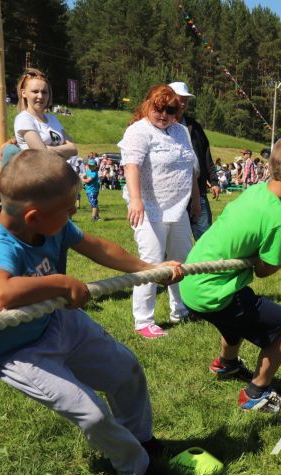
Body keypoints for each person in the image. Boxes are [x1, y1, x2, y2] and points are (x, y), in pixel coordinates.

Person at [0, 150, 184, 475]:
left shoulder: (54, 226)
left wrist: (151, 269)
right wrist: (62, 283)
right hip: (16, 351)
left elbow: (97, 247)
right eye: (69, 208)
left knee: (127, 371)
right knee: (92, 415)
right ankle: (138, 469)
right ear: (33, 217)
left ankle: (143, 442)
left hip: (58, 321)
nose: (74, 211)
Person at [179, 136, 281, 413]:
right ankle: (256, 393)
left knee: (239, 304)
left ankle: (226, 365)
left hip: (192, 283)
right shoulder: (278, 218)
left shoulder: (255, 192)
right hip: (212, 291)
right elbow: (263, 270)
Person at [119, 84, 200, 338]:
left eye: (171, 109)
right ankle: (143, 320)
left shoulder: (181, 131)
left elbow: (190, 168)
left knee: (181, 260)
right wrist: (135, 199)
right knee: (152, 263)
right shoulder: (138, 131)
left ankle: (181, 309)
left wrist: (195, 200)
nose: (164, 114)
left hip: (178, 208)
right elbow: (131, 166)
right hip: (148, 209)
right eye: (159, 108)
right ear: (147, 105)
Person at [169, 81, 221, 241]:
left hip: (197, 189)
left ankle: (207, 266)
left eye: (186, 99)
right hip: (172, 191)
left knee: (205, 237)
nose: (183, 103)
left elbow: (206, 154)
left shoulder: (194, 126)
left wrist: (214, 181)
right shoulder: (161, 126)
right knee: (173, 241)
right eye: (180, 98)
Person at [13, 69, 77, 159]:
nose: (40, 96)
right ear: (24, 93)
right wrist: (63, 151)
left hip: (59, 171)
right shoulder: (24, 119)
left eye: (44, 92)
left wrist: (48, 149)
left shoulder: (52, 119)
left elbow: (73, 149)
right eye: (35, 91)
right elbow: (42, 154)